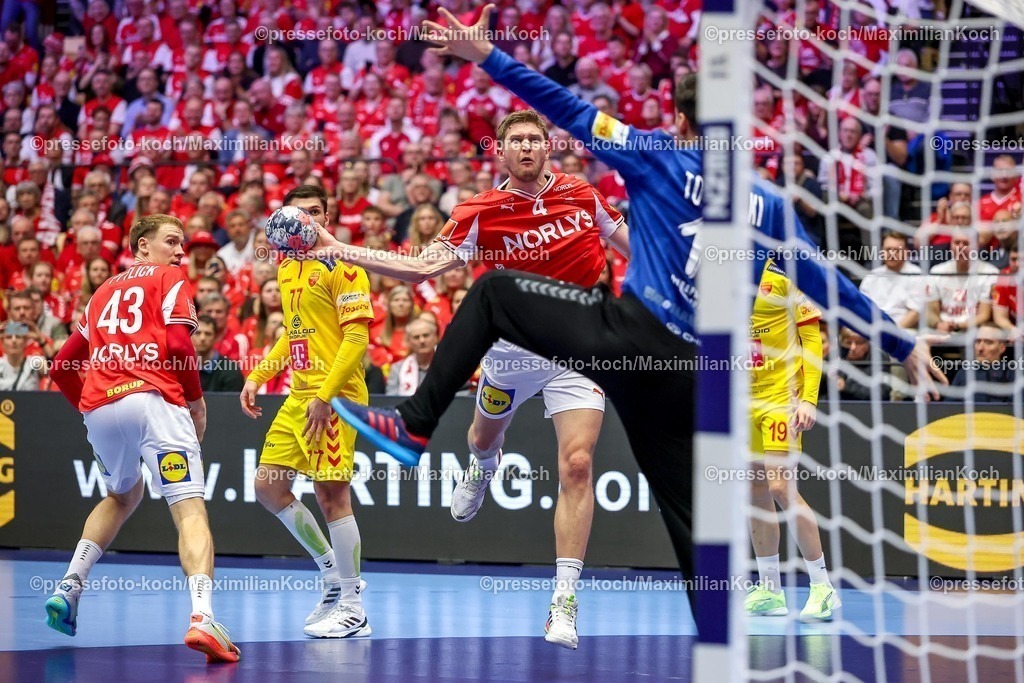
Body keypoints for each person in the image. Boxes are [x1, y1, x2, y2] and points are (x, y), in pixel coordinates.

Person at [320, 4, 947, 638]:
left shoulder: (655, 157)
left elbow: (562, 106)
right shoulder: (771, 207)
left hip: (630, 334)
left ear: (677, 118)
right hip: (691, 374)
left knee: (494, 294)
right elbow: (826, 282)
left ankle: (415, 426)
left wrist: (486, 55)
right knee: (693, 528)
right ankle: (719, 648)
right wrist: (898, 342)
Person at [297, 106, 631, 651]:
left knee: (576, 463)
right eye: (514, 140)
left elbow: (634, 248)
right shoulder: (478, 210)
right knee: (482, 436)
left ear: (547, 147)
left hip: (578, 350)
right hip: (511, 352)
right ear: (499, 152)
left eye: (533, 139)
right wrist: (339, 249)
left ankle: (564, 601)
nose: (525, 147)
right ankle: (482, 466)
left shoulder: (584, 195)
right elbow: (422, 266)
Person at [47, 214, 240, 663]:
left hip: (101, 406)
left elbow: (60, 367)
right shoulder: (169, 278)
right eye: (171, 242)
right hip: (155, 402)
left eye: (182, 244)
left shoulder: (100, 293)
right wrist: (196, 401)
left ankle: (69, 589)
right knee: (189, 508)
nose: (180, 252)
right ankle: (202, 618)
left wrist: (91, 408)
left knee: (120, 496)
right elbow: (177, 344)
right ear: (140, 247)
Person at [238, 185, 373, 639]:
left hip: (336, 397)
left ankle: (355, 605)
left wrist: (326, 395)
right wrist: (260, 374)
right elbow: (293, 333)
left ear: (327, 218)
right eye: (301, 213)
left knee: (332, 497)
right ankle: (332, 574)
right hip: (299, 394)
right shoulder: (288, 264)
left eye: (316, 213)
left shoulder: (344, 263)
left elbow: (356, 340)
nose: (309, 221)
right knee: (267, 486)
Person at [744, 260, 839, 621]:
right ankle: (770, 590)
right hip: (743, 397)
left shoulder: (783, 275)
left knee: (780, 487)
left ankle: (822, 588)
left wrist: (810, 399)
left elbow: (812, 339)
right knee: (754, 490)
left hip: (781, 398)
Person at [385, 317, 438, 396]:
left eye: (426, 335)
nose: (422, 341)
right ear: (409, 342)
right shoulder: (397, 369)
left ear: (435, 337)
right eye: (416, 337)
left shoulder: (449, 365)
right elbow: (392, 400)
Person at [193, 315, 245, 392]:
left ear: (216, 337)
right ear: (190, 335)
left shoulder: (230, 369)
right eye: (197, 333)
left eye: (208, 334)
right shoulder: (181, 367)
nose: (202, 338)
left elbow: (233, 402)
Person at [0, 321, 45, 390]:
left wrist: (41, 340)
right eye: (9, 337)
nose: (14, 340)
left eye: (18, 337)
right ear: (2, 343)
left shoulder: (36, 362)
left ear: (25, 341)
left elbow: (55, 370)